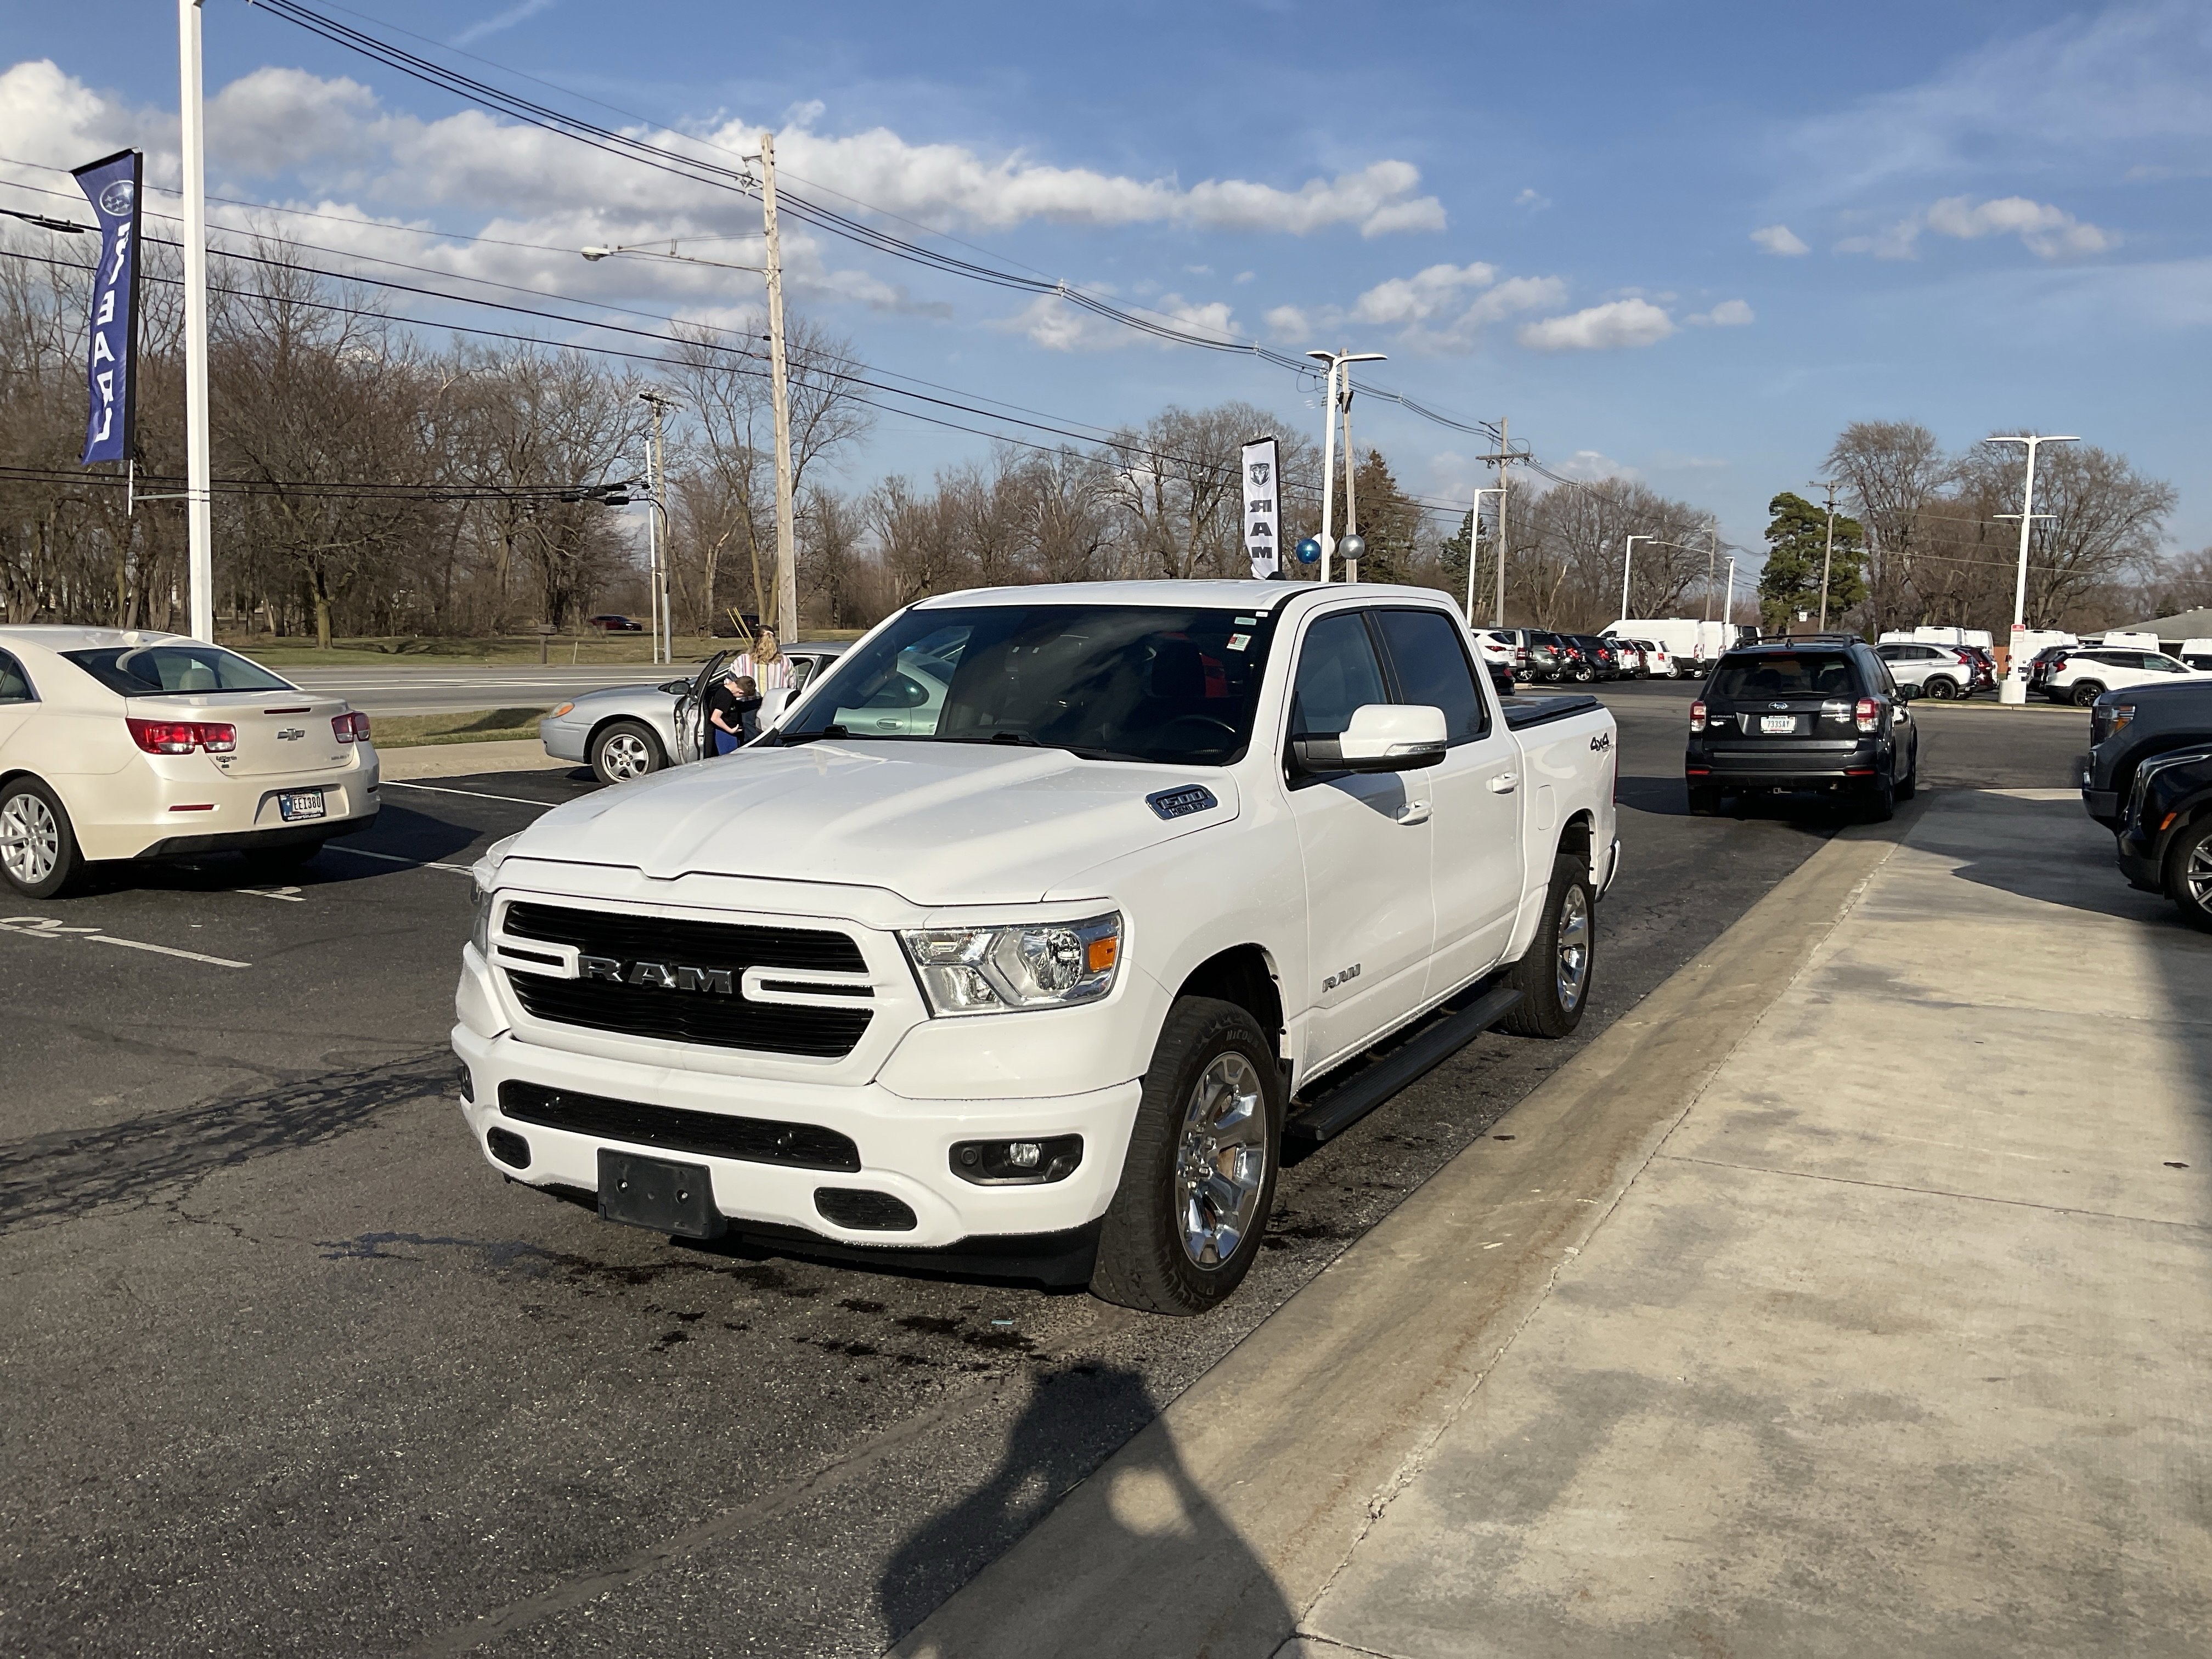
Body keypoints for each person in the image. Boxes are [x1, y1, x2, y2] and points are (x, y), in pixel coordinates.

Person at [706, 667, 759, 757]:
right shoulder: (726, 697)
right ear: (740, 692)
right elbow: (715, 718)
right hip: (725, 733)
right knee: (729, 758)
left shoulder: (724, 689)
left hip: (728, 732)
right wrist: (730, 730)